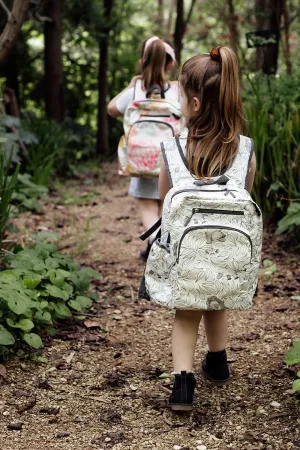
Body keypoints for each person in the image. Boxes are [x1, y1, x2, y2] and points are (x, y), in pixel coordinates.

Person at [157, 47, 257, 410]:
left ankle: (182, 384)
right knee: (217, 301)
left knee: (187, 313)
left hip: (188, 252)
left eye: (181, 97)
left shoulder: (172, 148)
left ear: (195, 104)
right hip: (228, 250)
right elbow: (245, 193)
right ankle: (217, 362)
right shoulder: (245, 149)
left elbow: (165, 199)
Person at [107, 36, 179, 261]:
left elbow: (111, 109)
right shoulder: (177, 91)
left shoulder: (136, 90)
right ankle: (155, 246)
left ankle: (160, 247)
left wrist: (130, 86)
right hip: (170, 159)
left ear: (142, 62)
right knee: (162, 204)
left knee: (148, 208)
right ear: (171, 64)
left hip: (142, 159)